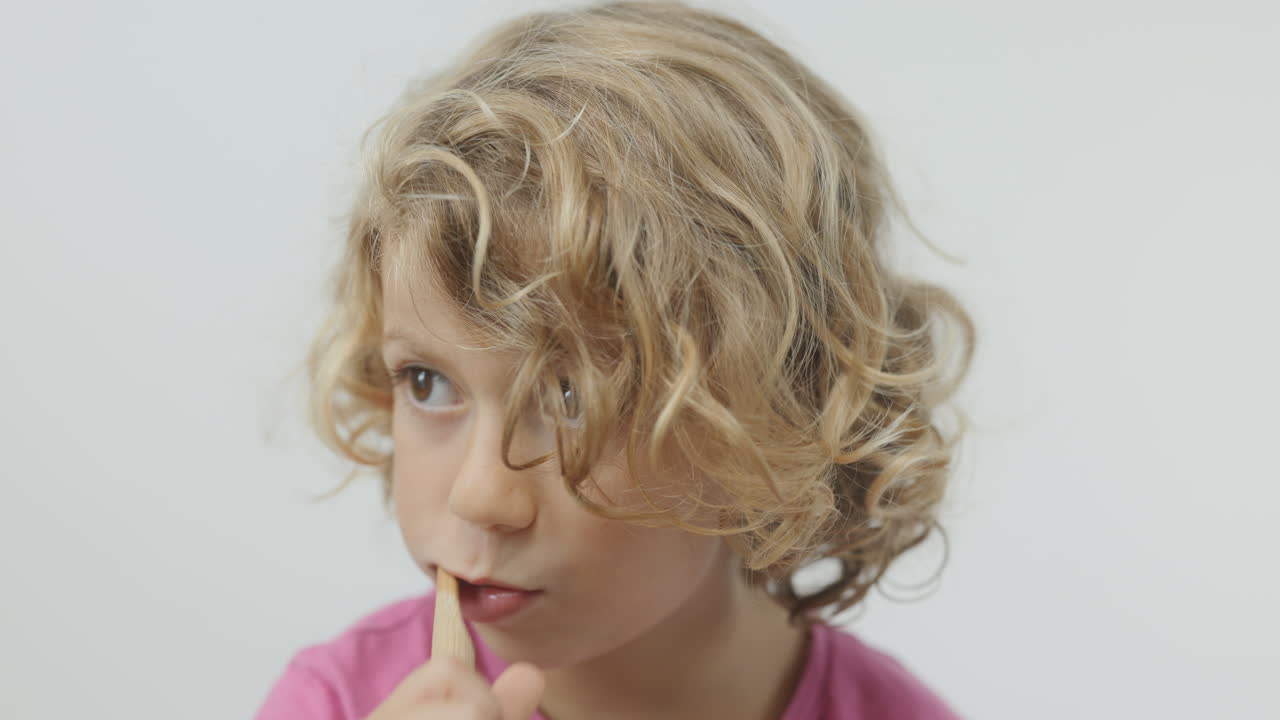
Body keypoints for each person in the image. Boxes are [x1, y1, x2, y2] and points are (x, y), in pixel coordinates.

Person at [257, 1, 976, 717]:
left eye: (573, 398)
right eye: (427, 381)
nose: (479, 496)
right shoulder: (338, 702)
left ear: (777, 416)